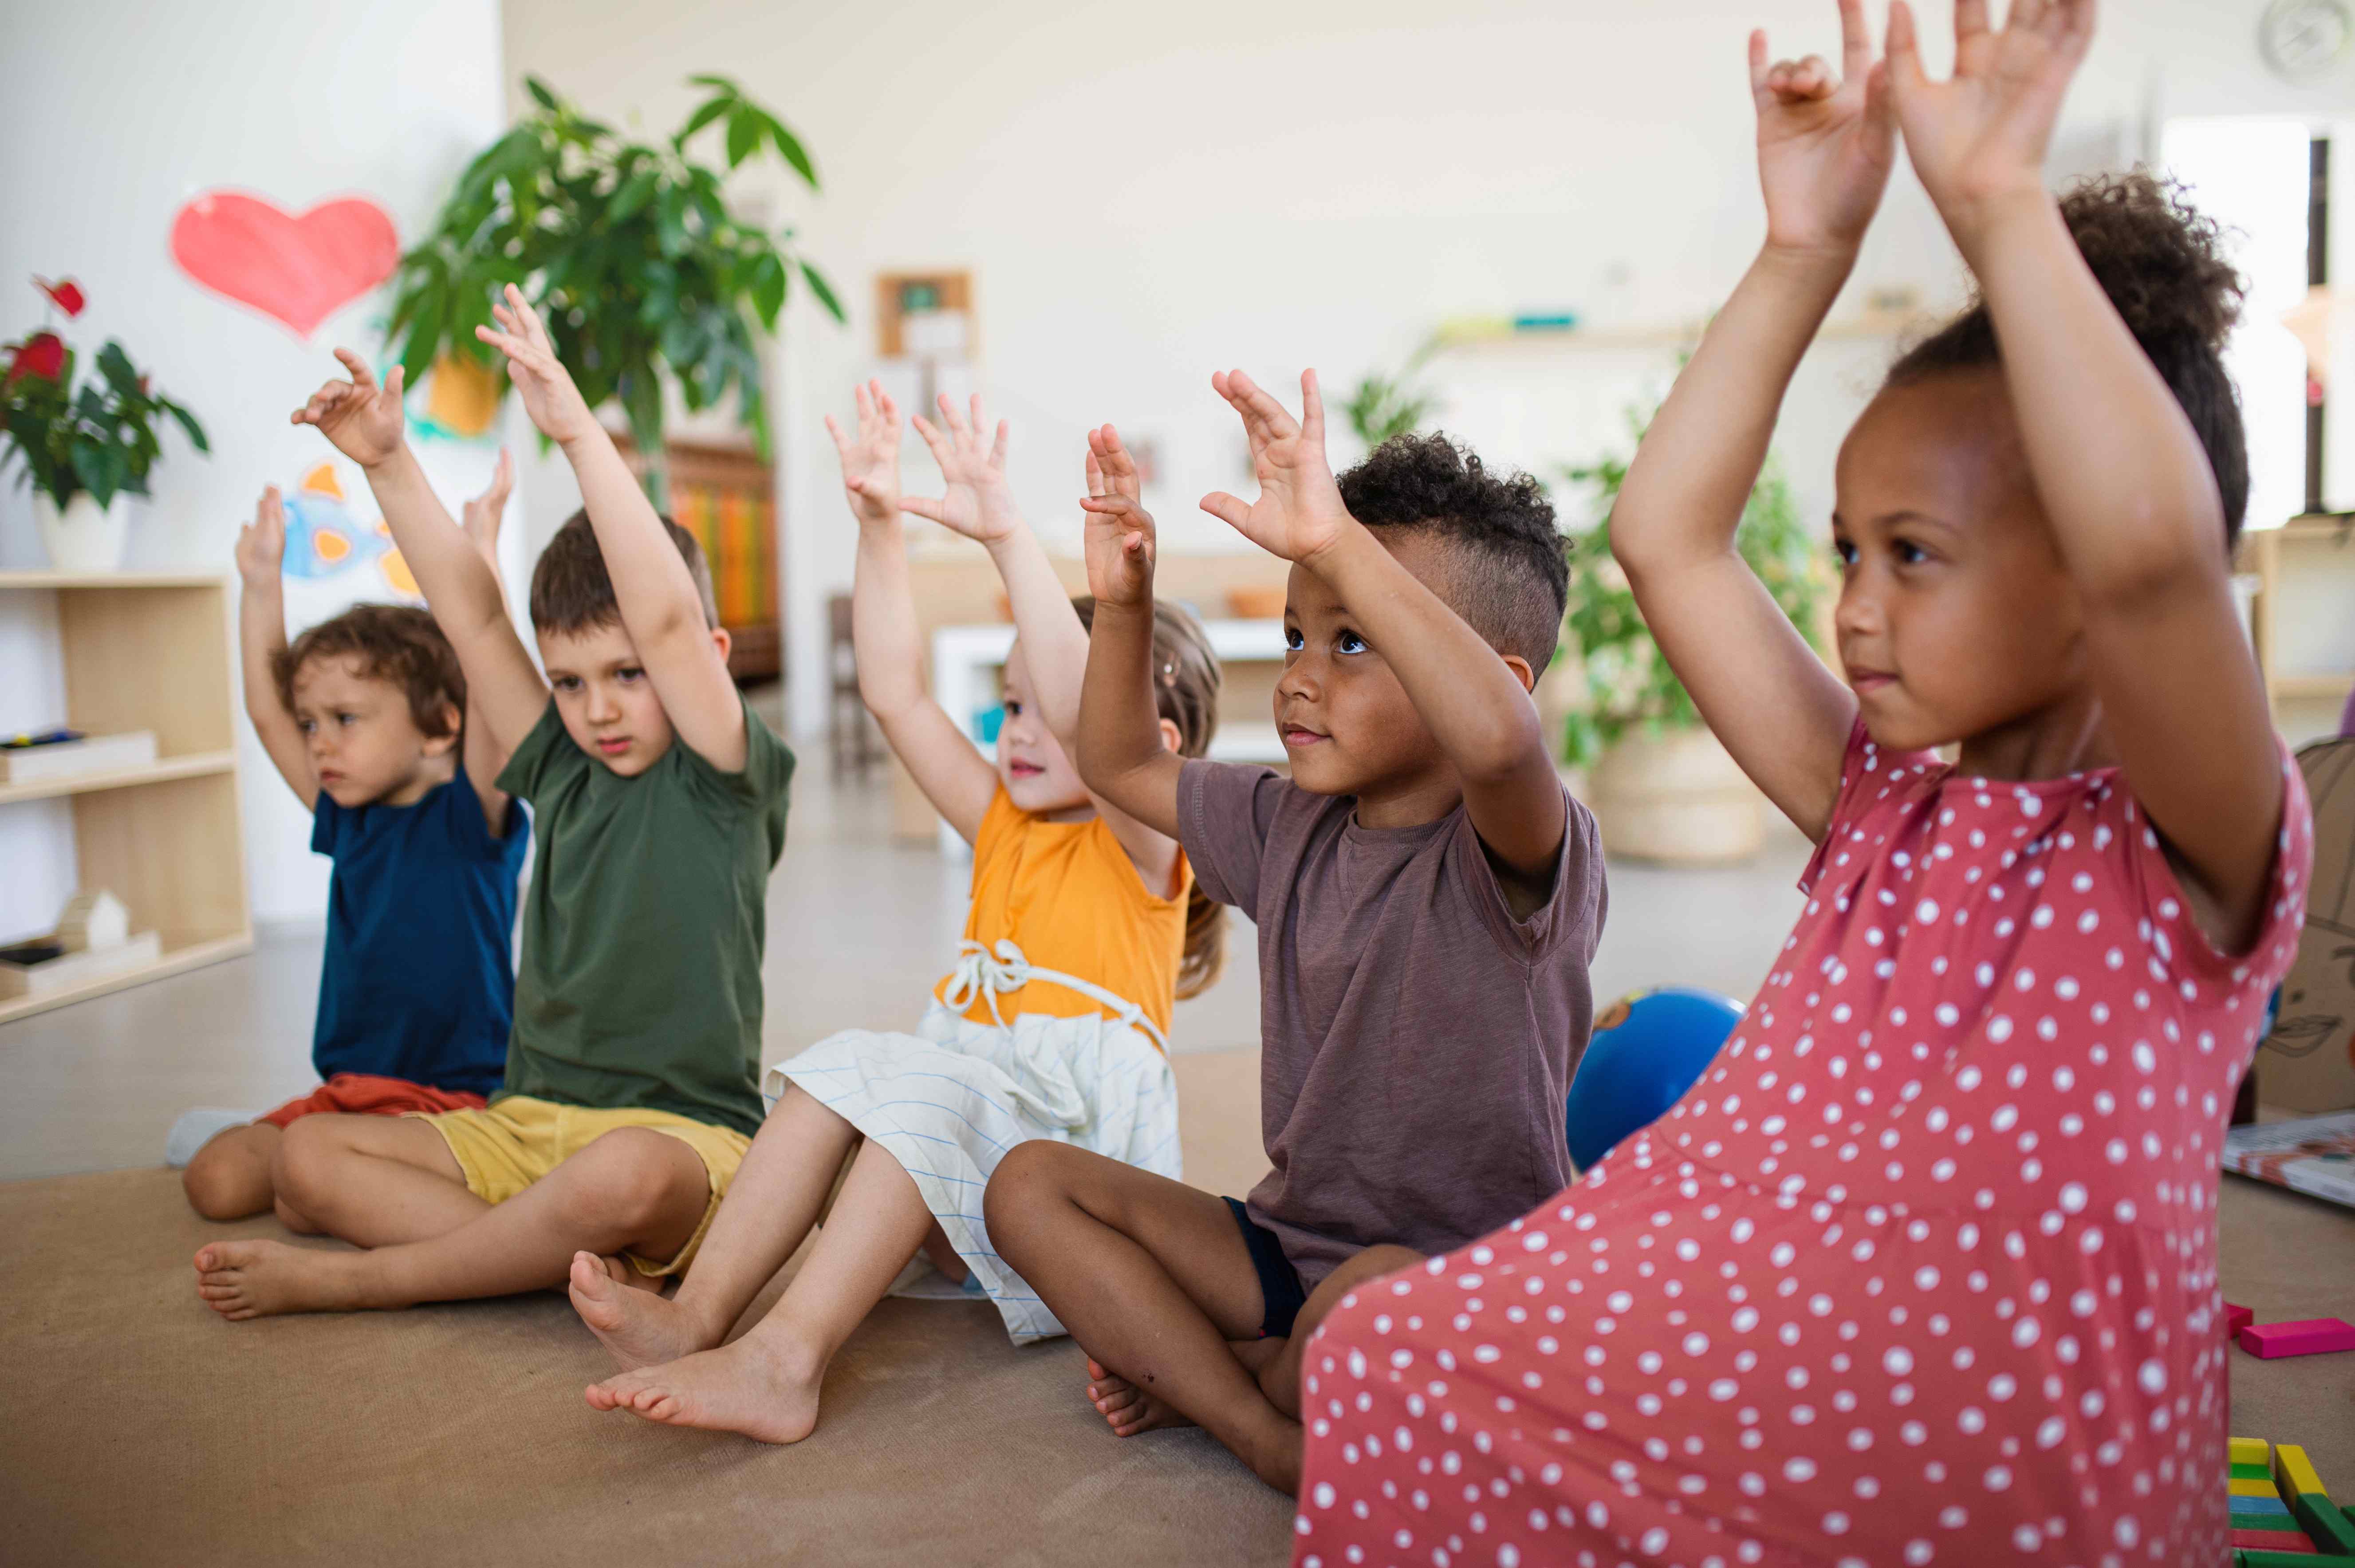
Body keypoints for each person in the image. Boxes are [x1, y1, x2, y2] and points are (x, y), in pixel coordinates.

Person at [1289, 3, 2314, 1563]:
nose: (1852, 604)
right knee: (1372, 1338)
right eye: (1846, 550)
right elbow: (1666, 538)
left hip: (2022, 1468)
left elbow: (2154, 556)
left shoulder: (2194, 850)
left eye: (1912, 554)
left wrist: (1999, 208)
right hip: (1784, 1334)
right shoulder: (1881, 806)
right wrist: (1799, 250)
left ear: (2082, 583)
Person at [567, 382, 1225, 1444]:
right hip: (961, 1167)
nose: (1020, 731)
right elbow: (895, 693)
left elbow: (1087, 719)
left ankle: (784, 1362)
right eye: (1008, 706)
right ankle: (695, 1315)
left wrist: (1006, 533)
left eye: (1041, 713)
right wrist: (877, 529)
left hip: (1071, 1192)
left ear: (1155, 743)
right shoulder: (1004, 823)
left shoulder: (1150, 846)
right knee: (839, 1072)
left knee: (922, 1093)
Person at [985, 398, 1605, 1496]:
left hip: (1456, 1282)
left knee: (1366, 1303)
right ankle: (1257, 1419)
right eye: (1294, 636)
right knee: (1027, 1186)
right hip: (1289, 1248)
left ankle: (1213, 1373)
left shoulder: (1516, 850)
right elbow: (1119, 765)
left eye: (1351, 641)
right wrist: (1124, 605)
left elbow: (1502, 750)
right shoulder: (1287, 825)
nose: (1299, 677)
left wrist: (1336, 545)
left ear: (1490, 677)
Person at [193, 286, 793, 1318]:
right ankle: (551, 1260)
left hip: (679, 1136)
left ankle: (377, 1278)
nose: (597, 709)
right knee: (310, 1159)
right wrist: (387, 463)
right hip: (524, 1123)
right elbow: (471, 619)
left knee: (620, 1179)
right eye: (569, 682)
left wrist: (577, 433)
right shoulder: (559, 764)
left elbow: (662, 618)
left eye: (628, 675)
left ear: (707, 658)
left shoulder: (724, 772)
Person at [179, 462, 526, 1221]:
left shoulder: (471, 815)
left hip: (459, 1103)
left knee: (310, 1196)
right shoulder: (347, 818)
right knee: (215, 1179)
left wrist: (481, 555)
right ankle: (337, 1184)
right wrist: (261, 583)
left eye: (345, 719)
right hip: (350, 1095)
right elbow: (268, 713)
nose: (319, 742)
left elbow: (491, 681)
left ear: (441, 725)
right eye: (313, 723)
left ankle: (359, 1194)